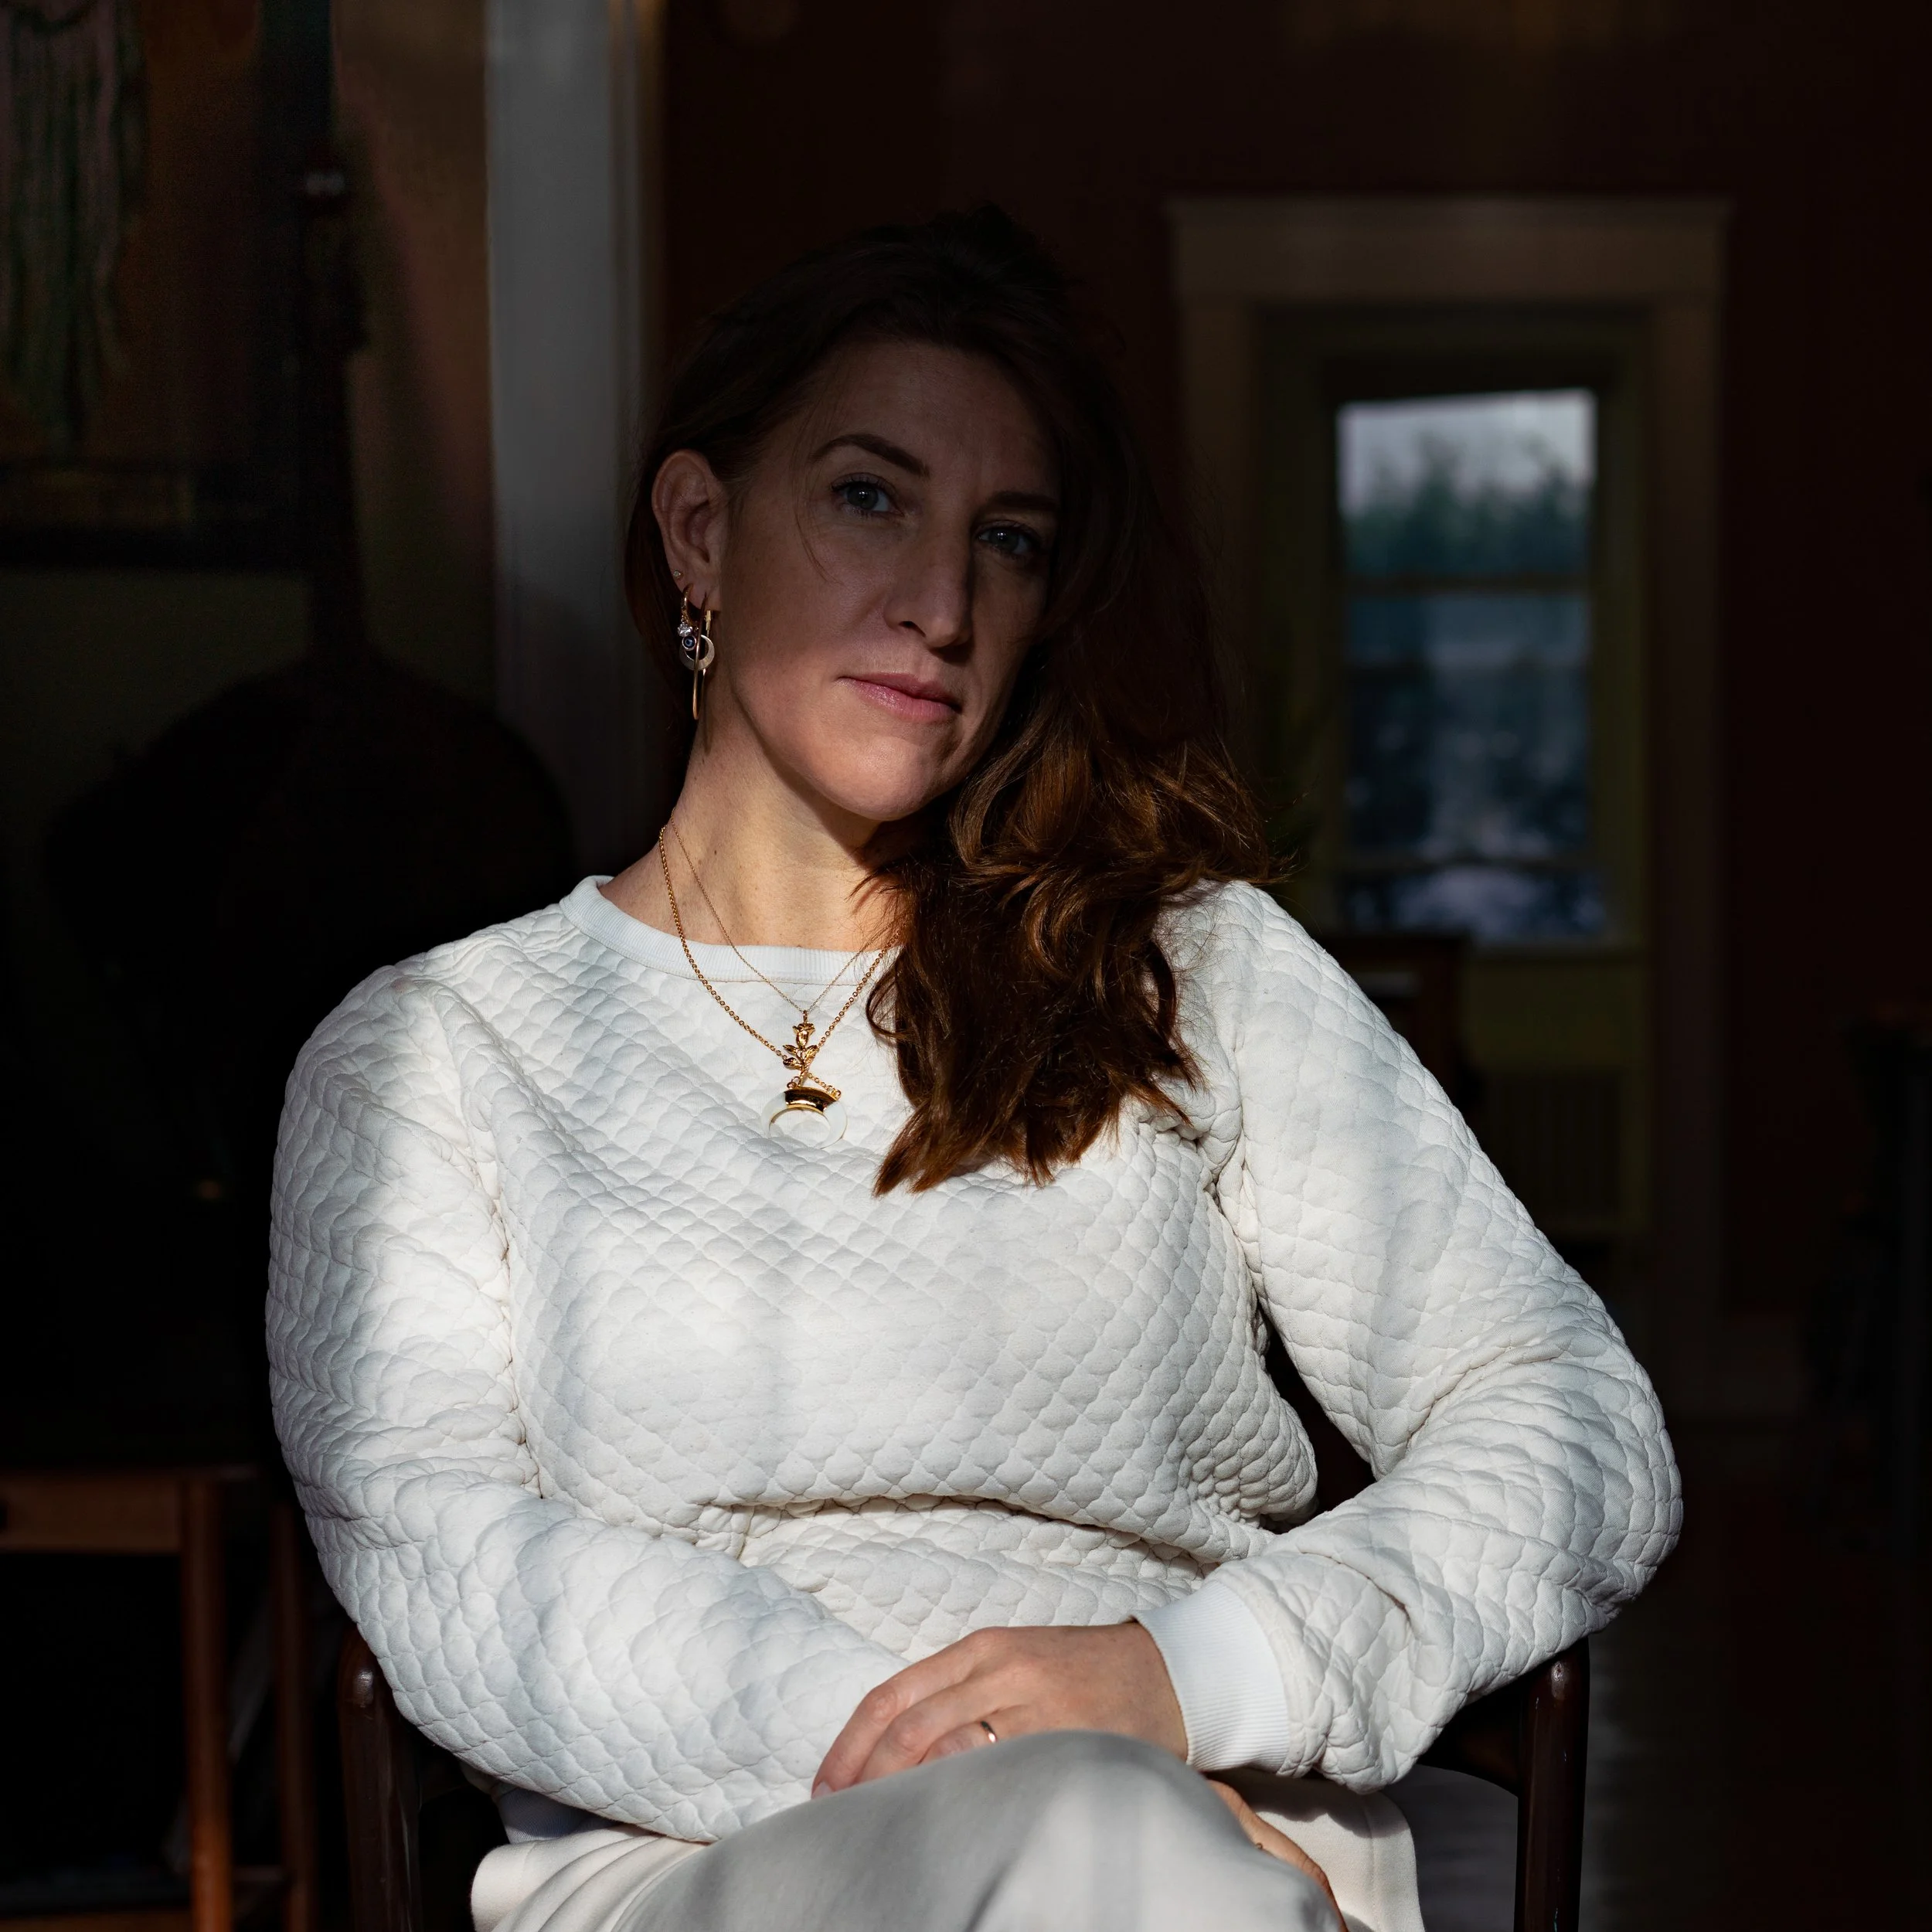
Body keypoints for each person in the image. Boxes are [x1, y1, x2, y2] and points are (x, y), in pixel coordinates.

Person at [268, 209, 1680, 1932]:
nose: (939, 604)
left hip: (1209, 1832)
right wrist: (996, 1759)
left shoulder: (1189, 967)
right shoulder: (432, 1055)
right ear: (697, 531)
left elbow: (1574, 1421)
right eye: (867, 495)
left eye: (1004, 540)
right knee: (1097, 1839)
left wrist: (1191, 1672)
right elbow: (450, 1560)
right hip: (707, 1864)